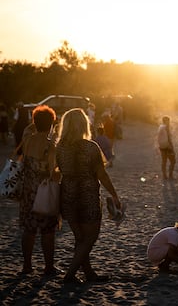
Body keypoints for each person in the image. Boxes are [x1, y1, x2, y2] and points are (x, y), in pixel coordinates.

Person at [56, 108, 121, 285]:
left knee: (80, 239)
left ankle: (89, 273)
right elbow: (102, 174)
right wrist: (114, 195)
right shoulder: (91, 147)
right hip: (88, 196)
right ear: (83, 125)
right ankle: (69, 275)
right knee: (90, 238)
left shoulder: (60, 147)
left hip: (68, 195)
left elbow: (56, 173)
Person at [20, 105, 60, 275]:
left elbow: (29, 128)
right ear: (51, 124)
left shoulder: (27, 139)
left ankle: (27, 266)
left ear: (35, 122)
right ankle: (48, 267)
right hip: (43, 194)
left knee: (28, 230)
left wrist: (36, 121)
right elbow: (54, 172)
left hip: (27, 191)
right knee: (47, 231)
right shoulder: (51, 146)